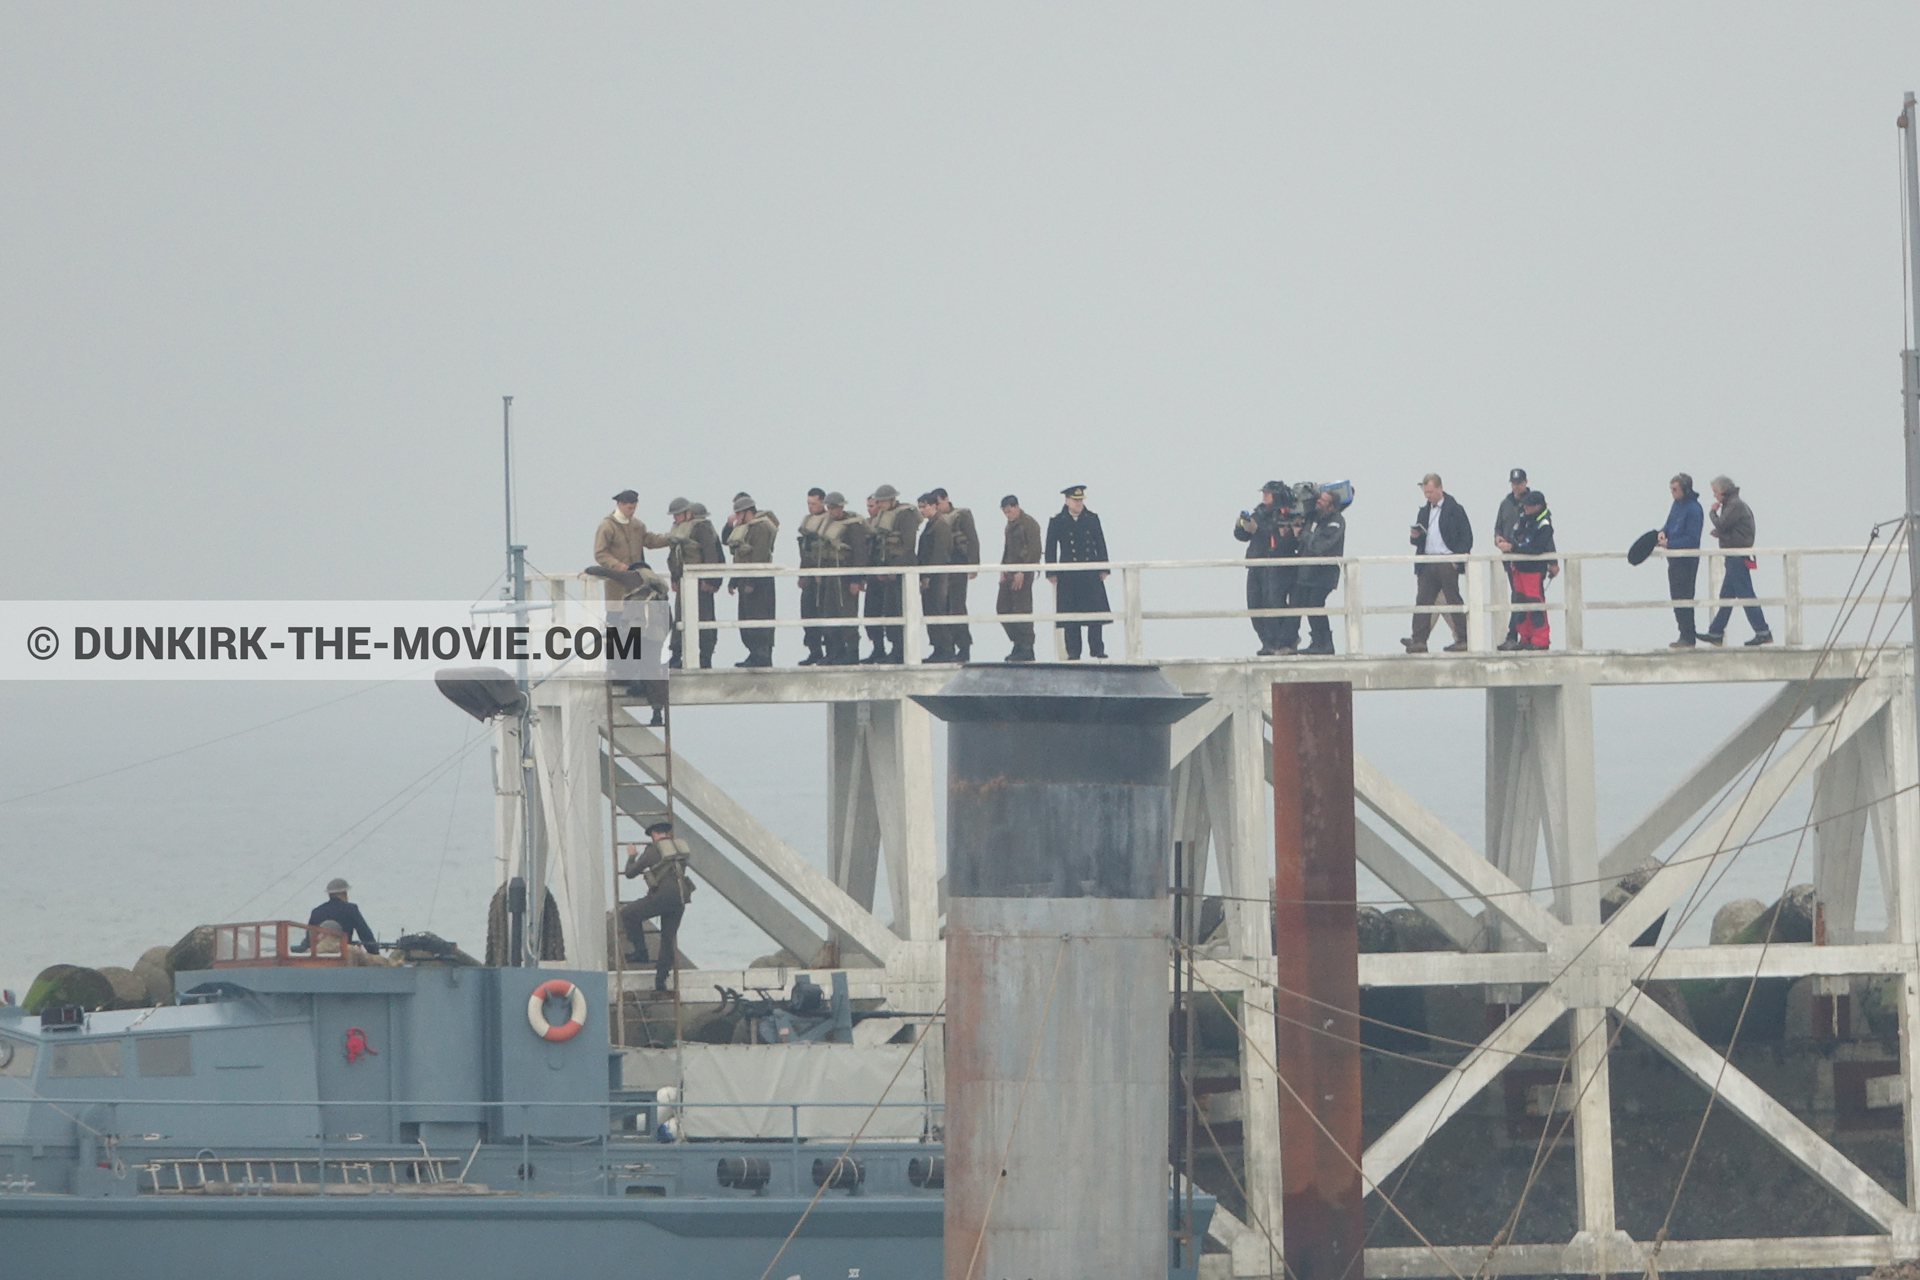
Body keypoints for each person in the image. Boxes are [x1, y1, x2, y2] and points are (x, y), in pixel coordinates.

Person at [619, 820, 694, 992]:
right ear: (668, 833)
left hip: (661, 898)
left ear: (653, 834)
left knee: (628, 913)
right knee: (668, 939)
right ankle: (661, 981)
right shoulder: (680, 850)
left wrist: (631, 856)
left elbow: (630, 873)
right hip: (680, 899)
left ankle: (641, 952)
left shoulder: (653, 851)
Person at [1404, 473, 1472, 653]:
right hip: (1428, 562)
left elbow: (1467, 537)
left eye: (1431, 492)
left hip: (1447, 561)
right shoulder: (1424, 511)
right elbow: (1421, 541)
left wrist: (1457, 559)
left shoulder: (1455, 509)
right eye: (1426, 492)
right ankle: (1419, 640)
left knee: (1453, 599)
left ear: (1440, 488)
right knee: (1423, 601)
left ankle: (1463, 639)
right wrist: (1415, 537)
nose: (1428, 496)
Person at [1234, 480, 1302, 656]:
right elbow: (1243, 536)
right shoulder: (1259, 512)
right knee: (1255, 605)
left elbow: (1282, 538)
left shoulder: (1287, 514)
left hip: (1277, 566)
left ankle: (1283, 641)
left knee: (1274, 603)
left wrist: (1258, 529)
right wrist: (1241, 525)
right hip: (1256, 564)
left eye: (1267, 493)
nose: (1264, 496)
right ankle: (1267, 642)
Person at [1704, 475, 1771, 647]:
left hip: (1737, 556)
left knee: (1746, 594)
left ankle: (1763, 631)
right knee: (1726, 595)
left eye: (1715, 491)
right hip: (1734, 556)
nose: (1714, 496)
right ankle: (1716, 632)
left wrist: (1712, 512)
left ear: (1724, 490)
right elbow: (1732, 528)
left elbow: (1722, 524)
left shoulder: (1734, 505)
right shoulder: (1733, 504)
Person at [1045, 485, 1110, 660]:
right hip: (1069, 575)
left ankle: (1097, 649)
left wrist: (1104, 567)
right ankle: (1073, 652)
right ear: (1067, 500)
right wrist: (1051, 571)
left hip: (1090, 573)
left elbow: (1100, 543)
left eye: (1081, 500)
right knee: (1070, 617)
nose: (1079, 503)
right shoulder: (1057, 520)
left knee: (1095, 615)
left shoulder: (1092, 518)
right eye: (1075, 500)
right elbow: (1050, 547)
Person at [860, 484, 921, 664]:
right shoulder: (882, 516)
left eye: (882, 501)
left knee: (896, 610)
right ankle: (880, 648)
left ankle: (899, 650)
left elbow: (908, 545)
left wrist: (894, 568)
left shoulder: (905, 515)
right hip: (882, 570)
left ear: (892, 500)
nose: (879, 505)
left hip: (898, 571)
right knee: (879, 611)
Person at [664, 498, 723, 670]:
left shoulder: (701, 528)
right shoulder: (679, 530)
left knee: (704, 618)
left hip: (699, 583)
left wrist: (709, 580)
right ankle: (676, 655)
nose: (674, 518)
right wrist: (675, 578)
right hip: (684, 581)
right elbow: (675, 556)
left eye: (677, 514)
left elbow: (711, 554)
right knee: (680, 618)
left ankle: (705, 657)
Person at [1495, 490, 1557, 651]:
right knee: (1520, 604)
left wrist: (1513, 547)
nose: (1526, 508)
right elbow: (1516, 536)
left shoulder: (1544, 524)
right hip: (1519, 569)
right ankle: (1525, 637)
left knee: (1535, 604)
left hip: (1534, 571)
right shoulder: (1524, 519)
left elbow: (1536, 548)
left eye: (1529, 505)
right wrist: (1505, 542)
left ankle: (1541, 639)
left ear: (1538, 506)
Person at [725, 494, 780, 667]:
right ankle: (753, 653)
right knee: (746, 618)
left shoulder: (760, 528)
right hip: (744, 579)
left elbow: (760, 555)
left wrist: (752, 582)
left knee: (760, 617)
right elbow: (731, 546)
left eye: (739, 513)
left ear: (747, 512)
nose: (737, 517)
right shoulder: (744, 528)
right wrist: (734, 580)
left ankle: (762, 655)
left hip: (759, 583)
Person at [816, 493, 869, 665]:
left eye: (833, 507)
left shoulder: (852, 526)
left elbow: (860, 553)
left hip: (846, 576)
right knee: (829, 613)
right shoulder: (826, 524)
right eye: (829, 507)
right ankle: (834, 652)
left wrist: (856, 579)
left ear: (841, 507)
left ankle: (852, 653)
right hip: (830, 575)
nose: (831, 511)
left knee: (847, 613)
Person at [591, 489, 670, 601]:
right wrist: (617, 565)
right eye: (629, 508)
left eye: (634, 508)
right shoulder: (607, 526)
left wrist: (669, 539)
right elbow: (600, 553)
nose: (632, 511)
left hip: (636, 584)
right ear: (619, 505)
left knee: (637, 615)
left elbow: (650, 540)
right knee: (615, 615)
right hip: (616, 583)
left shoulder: (638, 525)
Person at [1295, 486, 1346, 655]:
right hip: (1309, 572)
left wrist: (1303, 534)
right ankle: (1318, 642)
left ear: (1331, 506)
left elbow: (1320, 546)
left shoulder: (1336, 521)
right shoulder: (1314, 518)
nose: (1318, 502)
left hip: (1324, 573)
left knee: (1315, 604)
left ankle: (1325, 644)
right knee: (1310, 605)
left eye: (1322, 500)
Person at [916, 493, 967, 662]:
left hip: (938, 577)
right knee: (930, 610)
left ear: (934, 506)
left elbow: (940, 552)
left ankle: (945, 649)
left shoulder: (940, 525)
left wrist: (929, 575)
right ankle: (939, 648)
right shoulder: (932, 525)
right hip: (930, 576)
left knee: (938, 609)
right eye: (920, 507)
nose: (922, 510)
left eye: (925, 506)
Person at [1657, 473, 1705, 648]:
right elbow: (1669, 525)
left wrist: (1669, 543)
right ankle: (1683, 634)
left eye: (1675, 489)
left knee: (1685, 597)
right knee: (1676, 598)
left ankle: (1688, 636)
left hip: (1687, 561)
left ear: (1685, 489)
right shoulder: (1676, 506)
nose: (1672, 493)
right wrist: (1662, 532)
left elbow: (1692, 540)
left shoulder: (1694, 509)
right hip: (1674, 560)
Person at [933, 489, 979, 659]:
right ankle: (948, 647)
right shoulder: (936, 520)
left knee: (957, 607)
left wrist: (973, 564)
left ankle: (964, 647)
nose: (936, 507)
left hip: (958, 566)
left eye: (938, 503)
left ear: (946, 499)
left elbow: (972, 539)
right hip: (943, 569)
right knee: (943, 607)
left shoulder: (961, 516)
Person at [997, 495, 1042, 662]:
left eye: (1009, 510)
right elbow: (1008, 549)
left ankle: (1026, 646)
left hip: (1023, 573)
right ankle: (1018, 642)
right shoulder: (1010, 526)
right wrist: (1003, 568)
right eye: (1005, 512)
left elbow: (1035, 549)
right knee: (1003, 609)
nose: (1007, 514)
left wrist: (1023, 571)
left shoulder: (1029, 524)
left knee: (1021, 609)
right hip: (1009, 572)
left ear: (1016, 507)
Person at [796, 488, 832, 665]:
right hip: (808, 572)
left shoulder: (828, 521)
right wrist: (802, 573)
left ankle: (830, 650)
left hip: (822, 573)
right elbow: (805, 549)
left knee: (823, 612)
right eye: (808, 504)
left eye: (814, 504)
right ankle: (814, 650)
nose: (810, 507)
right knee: (807, 611)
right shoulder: (807, 521)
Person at [307, 878, 379, 956]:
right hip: (343, 955)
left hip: (320, 955)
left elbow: (309, 937)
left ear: (329, 894)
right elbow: (365, 934)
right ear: (343, 894)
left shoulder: (316, 912)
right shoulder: (351, 909)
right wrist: (374, 952)